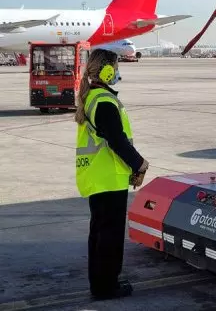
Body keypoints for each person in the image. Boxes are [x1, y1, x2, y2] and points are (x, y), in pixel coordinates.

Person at [74, 48, 148, 300]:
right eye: (116, 67)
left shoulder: (94, 97)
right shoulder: (104, 101)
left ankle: (101, 283)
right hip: (107, 179)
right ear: (106, 70)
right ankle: (106, 287)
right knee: (109, 236)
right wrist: (140, 164)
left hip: (99, 177)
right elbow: (117, 140)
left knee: (99, 234)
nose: (117, 72)